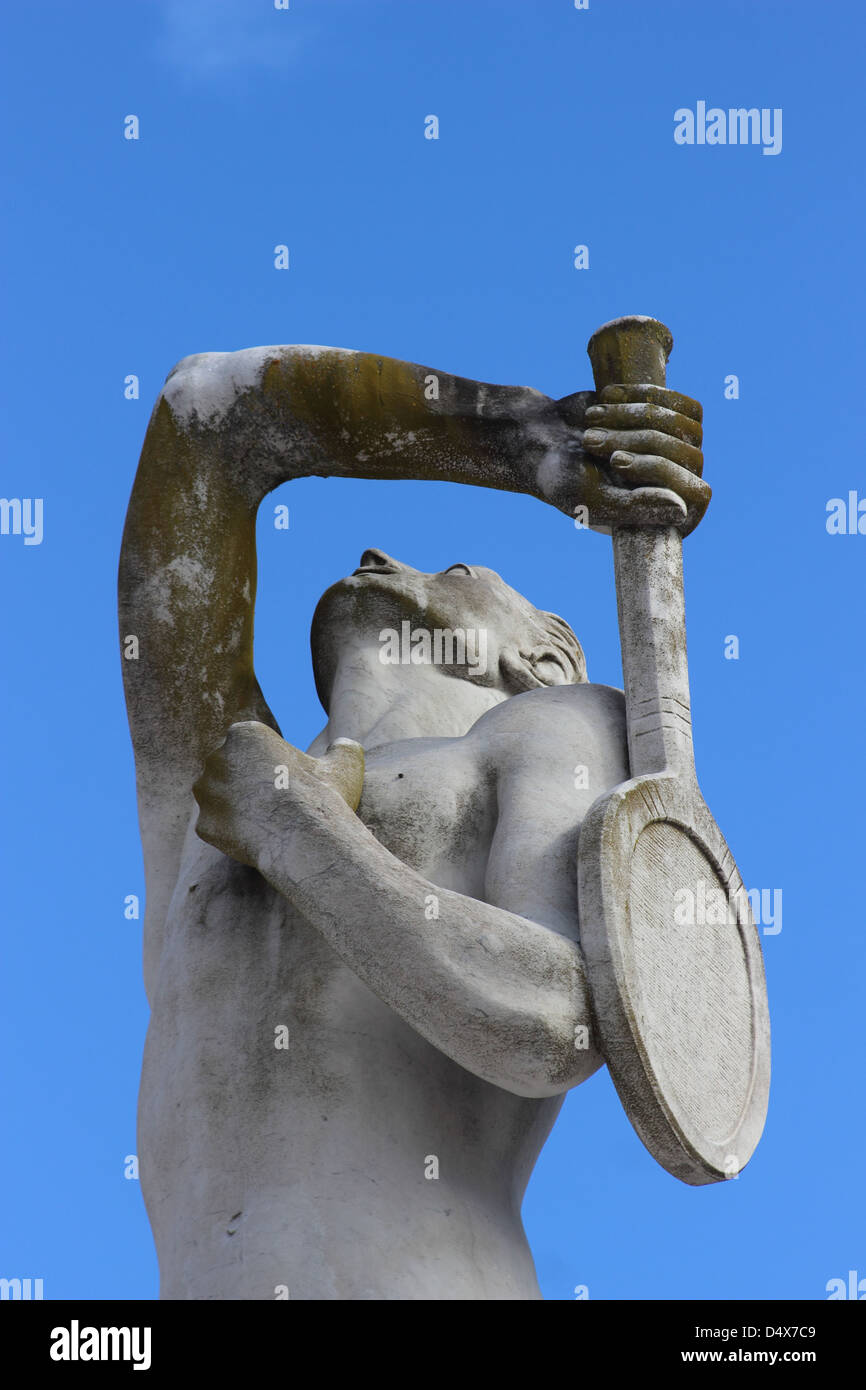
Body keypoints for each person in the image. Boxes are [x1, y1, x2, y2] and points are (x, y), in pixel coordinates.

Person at [119, 344, 707, 1299]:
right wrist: (529, 440)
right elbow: (202, 421)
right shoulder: (214, 789)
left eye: (459, 569)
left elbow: (559, 1021)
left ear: (545, 655)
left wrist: (304, 841)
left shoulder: (556, 723)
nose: (376, 557)